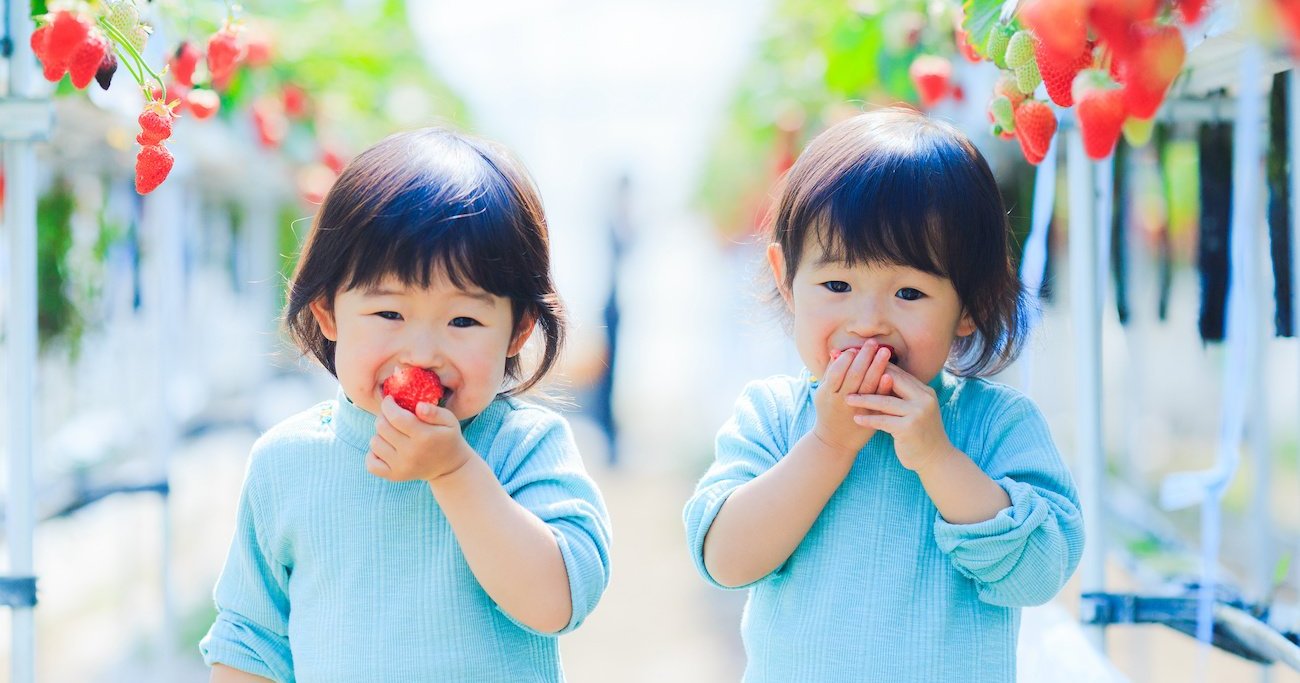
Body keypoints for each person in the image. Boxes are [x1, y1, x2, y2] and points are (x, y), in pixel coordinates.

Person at [683, 107, 1084, 682]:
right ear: (785, 279)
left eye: (909, 292)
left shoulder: (996, 425)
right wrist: (827, 446)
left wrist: (936, 457)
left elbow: (1038, 574)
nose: (868, 321)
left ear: (968, 306)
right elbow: (726, 560)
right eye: (838, 285)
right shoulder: (773, 416)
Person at [201, 127, 612, 682]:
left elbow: (557, 600)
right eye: (389, 314)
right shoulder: (286, 462)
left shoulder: (523, 446)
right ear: (327, 314)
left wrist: (456, 471)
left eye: (463, 320)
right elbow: (251, 638)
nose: (422, 353)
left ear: (517, 332)